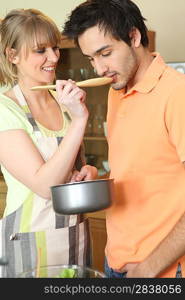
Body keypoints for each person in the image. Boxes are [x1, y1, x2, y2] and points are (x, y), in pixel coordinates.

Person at [63, 0, 185, 278]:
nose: (99, 69)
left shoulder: (178, 95)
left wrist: (147, 269)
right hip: (116, 261)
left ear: (134, 37)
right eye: (91, 58)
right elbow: (141, 172)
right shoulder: (116, 91)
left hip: (160, 272)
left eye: (105, 53)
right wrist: (98, 180)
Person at [0, 8, 97, 278]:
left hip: (74, 237)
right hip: (28, 243)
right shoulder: (5, 110)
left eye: (55, 48)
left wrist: (88, 173)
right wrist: (79, 121)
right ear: (13, 55)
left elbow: (76, 166)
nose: (54, 57)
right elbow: (45, 186)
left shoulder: (63, 101)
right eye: (40, 50)